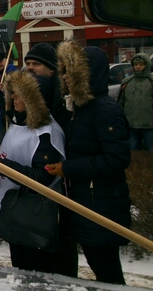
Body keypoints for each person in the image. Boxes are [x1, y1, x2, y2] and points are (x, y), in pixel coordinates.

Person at [46, 42, 131, 285]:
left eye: (70, 72)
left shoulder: (104, 110)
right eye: (64, 71)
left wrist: (68, 169)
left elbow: (117, 158)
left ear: (87, 74)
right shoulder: (80, 107)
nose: (65, 77)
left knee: (106, 269)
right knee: (98, 265)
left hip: (102, 202)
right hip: (87, 199)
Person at [0, 71, 65, 273]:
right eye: (12, 93)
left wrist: (2, 165)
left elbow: (42, 178)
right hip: (16, 210)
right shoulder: (17, 123)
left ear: (35, 100)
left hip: (34, 216)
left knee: (35, 271)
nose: (13, 98)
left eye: (18, 94)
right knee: (20, 269)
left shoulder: (46, 133)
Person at [25, 43, 71, 128]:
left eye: (36, 64)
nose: (30, 67)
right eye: (28, 64)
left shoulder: (62, 95)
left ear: (51, 70)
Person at [118, 53, 153, 151]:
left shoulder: (151, 81)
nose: (138, 67)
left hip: (150, 125)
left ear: (146, 65)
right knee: (133, 153)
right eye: (136, 64)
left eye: (141, 64)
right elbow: (120, 102)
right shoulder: (126, 82)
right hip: (131, 125)